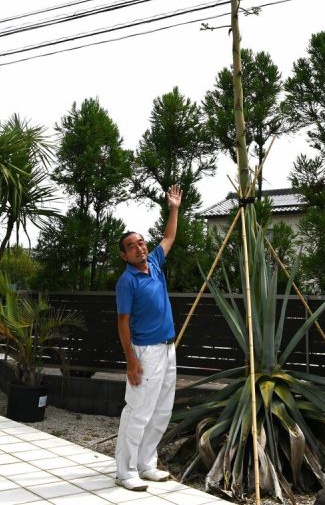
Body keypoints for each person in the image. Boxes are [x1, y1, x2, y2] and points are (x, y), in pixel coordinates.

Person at [114, 184, 183, 491]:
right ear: (123, 255)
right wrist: (131, 361)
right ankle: (125, 470)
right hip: (145, 352)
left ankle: (146, 464)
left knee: (161, 410)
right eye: (132, 246)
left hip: (168, 349)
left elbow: (168, 237)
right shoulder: (126, 281)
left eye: (141, 243)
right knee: (138, 411)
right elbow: (123, 322)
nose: (140, 248)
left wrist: (174, 208)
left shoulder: (154, 263)